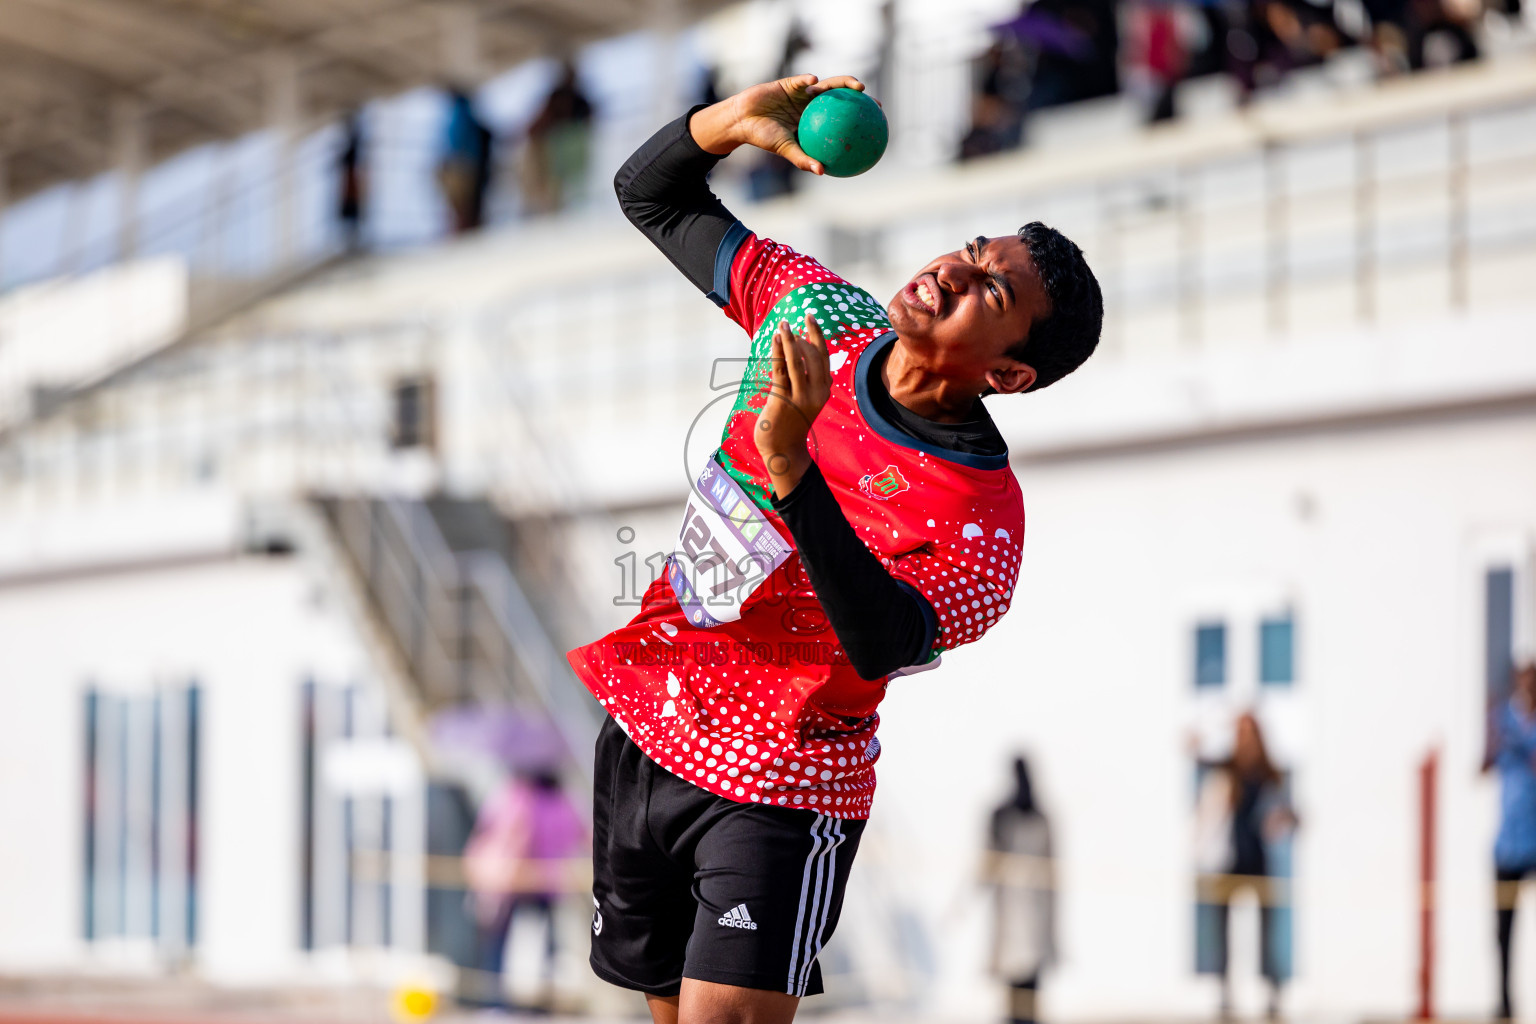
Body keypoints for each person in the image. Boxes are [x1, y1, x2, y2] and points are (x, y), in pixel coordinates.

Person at [568, 72, 1103, 1023]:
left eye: (990, 289)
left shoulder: (982, 518)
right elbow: (649, 194)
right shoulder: (814, 312)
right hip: (646, 728)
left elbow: (879, 639)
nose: (951, 269)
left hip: (781, 786)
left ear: (1010, 372)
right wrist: (724, 125)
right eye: (971, 249)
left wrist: (793, 472)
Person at [1193, 713, 1296, 1020]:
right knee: (1221, 934)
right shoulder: (1226, 769)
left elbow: (1292, 813)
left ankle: (1273, 993)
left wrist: (1282, 821)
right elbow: (1199, 755)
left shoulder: (1270, 773)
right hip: (1228, 862)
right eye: (1240, 731)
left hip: (1260, 863)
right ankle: (1224, 994)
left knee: (1267, 936)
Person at [462, 770, 587, 1009]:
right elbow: (581, 835)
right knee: (547, 947)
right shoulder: (566, 802)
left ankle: (497, 1002)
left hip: (516, 881)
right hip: (549, 882)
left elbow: (498, 831)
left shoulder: (517, 796)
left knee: (500, 944)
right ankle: (540, 1003)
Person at [983, 757, 1056, 1024]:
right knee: (1015, 984)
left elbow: (1052, 871)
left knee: (1029, 987)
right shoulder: (1001, 816)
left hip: (1034, 914)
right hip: (1011, 913)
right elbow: (987, 864)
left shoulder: (1040, 818)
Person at [1482, 661, 1536, 1021]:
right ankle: (1504, 1002)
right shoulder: (1502, 719)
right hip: (1509, 844)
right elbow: (1483, 763)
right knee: (1503, 931)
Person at [522, 61, 594, 216]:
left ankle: (557, 210)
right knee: (551, 183)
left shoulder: (575, 98)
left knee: (564, 183)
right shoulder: (562, 96)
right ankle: (550, 209)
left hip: (561, 145)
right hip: (549, 144)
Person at [438, 86, 493, 233]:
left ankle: (465, 228)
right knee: (463, 204)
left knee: (463, 203)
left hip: (463, 164)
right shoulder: (462, 112)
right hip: (465, 163)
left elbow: (459, 141)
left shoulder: (460, 113)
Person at [336, 111, 366, 250]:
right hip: (349, 182)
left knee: (352, 209)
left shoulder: (353, 148)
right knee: (350, 210)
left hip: (352, 181)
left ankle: (353, 240)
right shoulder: (351, 147)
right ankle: (351, 239)